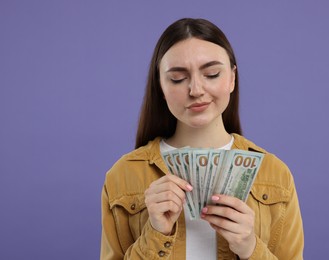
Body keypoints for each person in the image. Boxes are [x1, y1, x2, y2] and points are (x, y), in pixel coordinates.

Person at [100, 18, 304, 260]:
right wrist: (155, 233)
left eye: (212, 74)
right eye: (177, 78)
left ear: (232, 78)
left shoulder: (275, 174)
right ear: (161, 86)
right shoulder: (122, 176)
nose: (196, 89)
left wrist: (250, 247)